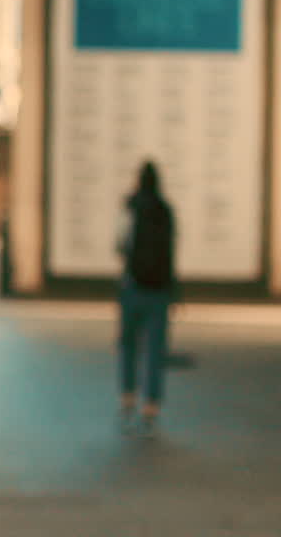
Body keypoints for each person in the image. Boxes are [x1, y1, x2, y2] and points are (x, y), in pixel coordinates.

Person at [115, 160, 178, 437]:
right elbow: (171, 253)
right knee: (155, 350)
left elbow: (119, 244)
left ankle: (128, 397)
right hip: (159, 290)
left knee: (129, 346)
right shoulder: (166, 211)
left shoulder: (130, 207)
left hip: (132, 287)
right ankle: (151, 405)